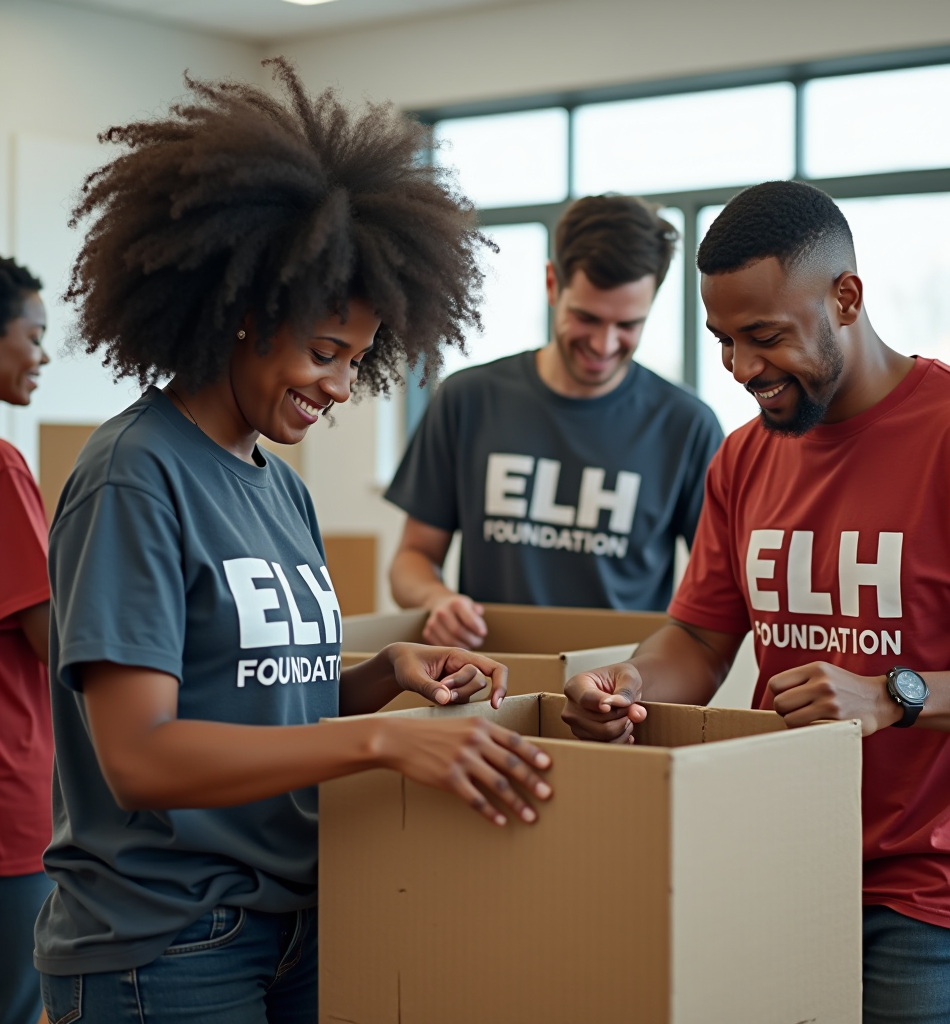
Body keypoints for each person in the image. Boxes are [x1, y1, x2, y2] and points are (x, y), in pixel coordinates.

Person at [35, 59, 552, 1024]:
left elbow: (269, 695)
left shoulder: (277, 485)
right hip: (165, 946)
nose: (343, 388)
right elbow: (141, 757)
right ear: (242, 316)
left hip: (297, 925)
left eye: (359, 360)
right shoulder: (135, 474)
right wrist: (381, 741)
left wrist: (385, 671)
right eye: (325, 354)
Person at [561, 180, 950, 1023]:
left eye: (765, 337)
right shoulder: (743, 460)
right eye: (724, 341)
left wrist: (895, 695)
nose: (742, 370)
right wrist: (628, 685)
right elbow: (699, 642)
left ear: (846, 297)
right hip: (777, 853)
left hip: (934, 890)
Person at [386, 194, 724, 649]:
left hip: (620, 695)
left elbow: (718, 590)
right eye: (587, 318)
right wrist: (436, 599)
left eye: (627, 324)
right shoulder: (468, 400)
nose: (605, 345)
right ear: (552, 283)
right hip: (487, 687)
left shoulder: (686, 426)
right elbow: (412, 557)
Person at [0, 257, 51, 1024]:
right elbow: (59, 639)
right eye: (35, 335)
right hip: (10, 805)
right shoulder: (3, 466)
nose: (43, 354)